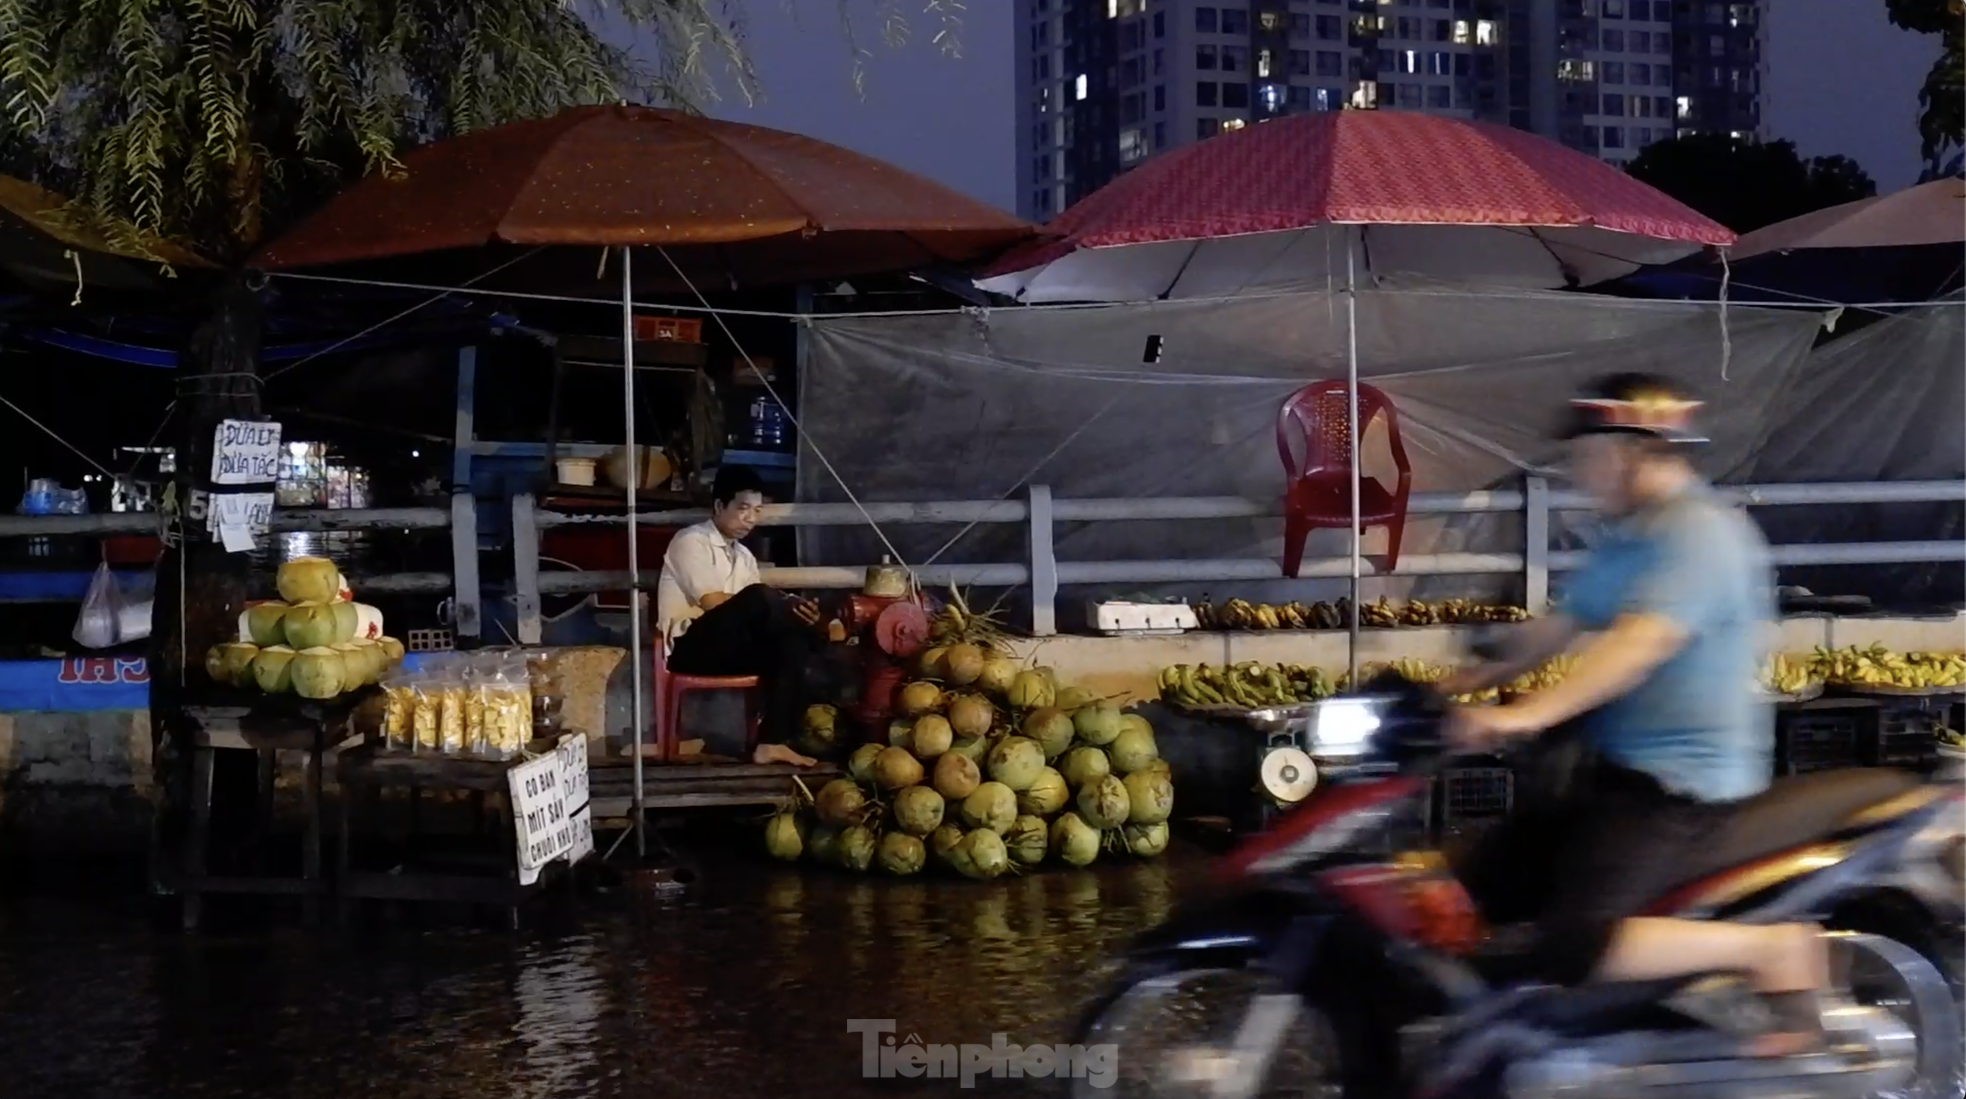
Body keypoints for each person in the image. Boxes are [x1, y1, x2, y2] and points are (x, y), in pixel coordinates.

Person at [1439, 373, 1827, 1056]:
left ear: (1628, 452)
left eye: (1585, 456)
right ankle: (1526, 1045)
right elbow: (1557, 628)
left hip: (1677, 786)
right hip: (1610, 768)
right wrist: (1464, 681)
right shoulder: (1629, 536)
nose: (1577, 473)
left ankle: (1772, 949)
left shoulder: (1700, 535)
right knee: (1478, 887)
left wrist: (1524, 714)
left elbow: (1635, 647)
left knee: (1575, 939)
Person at [656, 466, 827, 767]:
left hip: (731, 648)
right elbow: (713, 603)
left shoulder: (745, 556)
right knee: (760, 597)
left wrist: (795, 617)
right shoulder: (690, 541)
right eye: (743, 508)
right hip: (691, 648)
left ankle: (771, 742)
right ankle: (818, 630)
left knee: (793, 641)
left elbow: (756, 614)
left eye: (757, 511)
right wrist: (780, 605)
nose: (750, 518)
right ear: (720, 506)